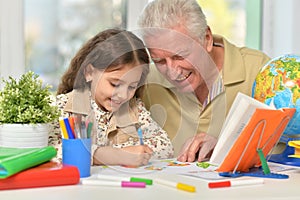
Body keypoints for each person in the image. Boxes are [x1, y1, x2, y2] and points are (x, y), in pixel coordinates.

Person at [137, 0, 270, 162]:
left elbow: (288, 147)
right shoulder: (145, 81)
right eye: (159, 61)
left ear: (207, 39)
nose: (172, 72)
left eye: (180, 56)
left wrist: (226, 149)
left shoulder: (260, 70)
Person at [49, 28, 174, 166]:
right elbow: (47, 151)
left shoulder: (134, 109)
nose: (123, 95)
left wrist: (122, 154)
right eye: (115, 84)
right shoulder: (63, 107)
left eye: (132, 86)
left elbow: (165, 147)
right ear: (89, 72)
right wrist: (109, 155)